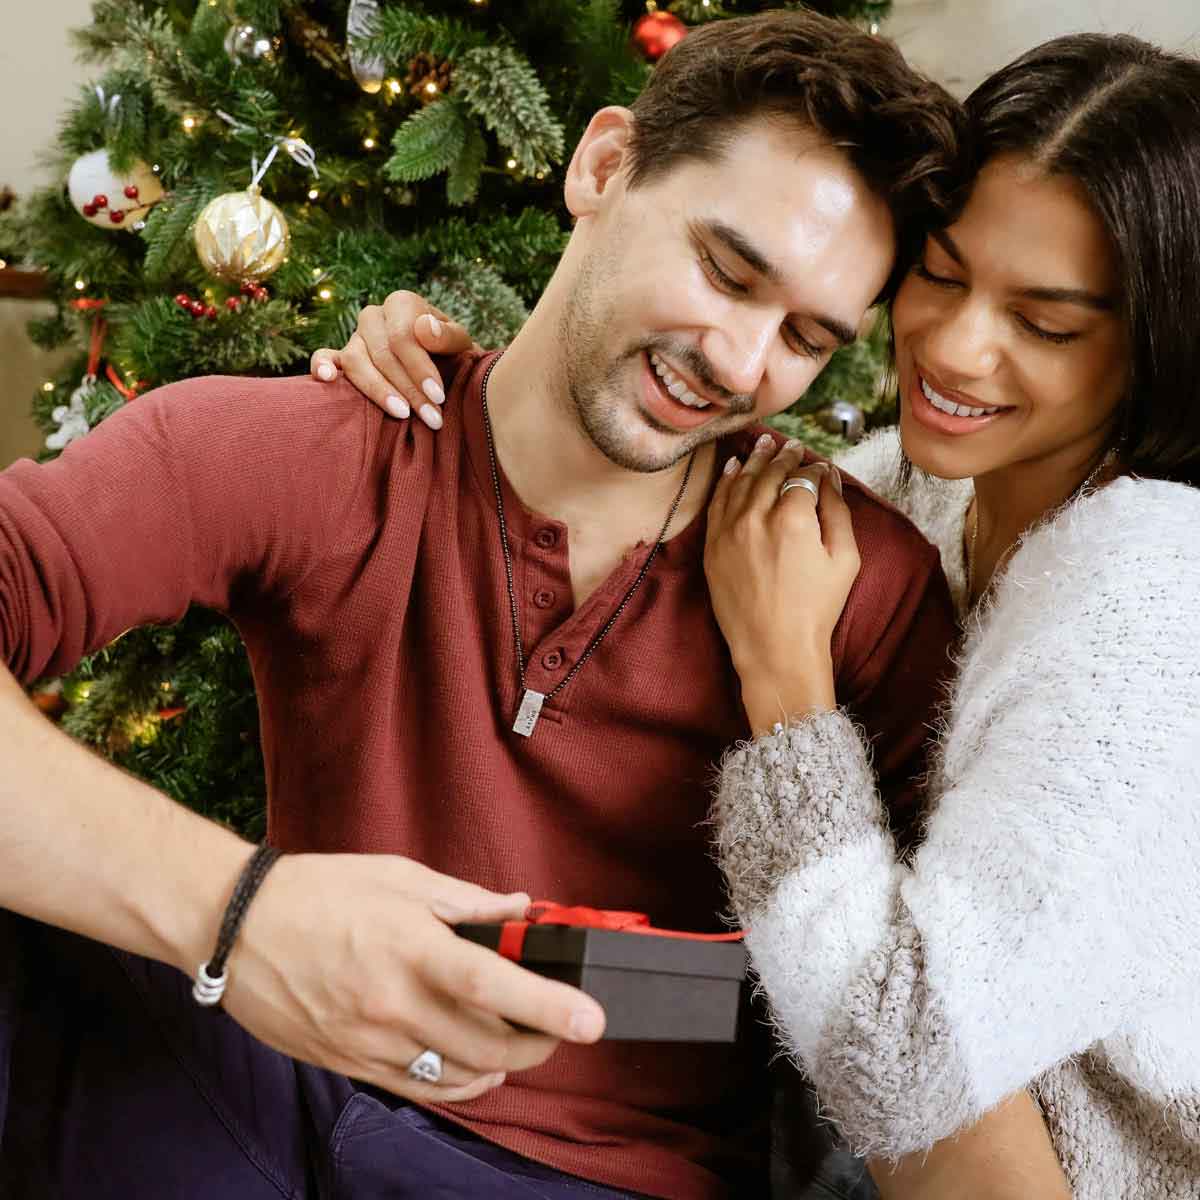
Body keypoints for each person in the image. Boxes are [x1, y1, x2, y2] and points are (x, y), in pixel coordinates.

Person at [0, 12, 973, 1199]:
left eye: (808, 338)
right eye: (725, 269)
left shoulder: (854, 585)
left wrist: (793, 692)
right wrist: (241, 913)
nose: (740, 361)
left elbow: (934, 1019)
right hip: (255, 1104)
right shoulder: (316, 451)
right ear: (603, 166)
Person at [312, 28, 1200, 1200]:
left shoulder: (1152, 596)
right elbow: (780, 983)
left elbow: (902, 1064)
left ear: (1151, 347)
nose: (954, 345)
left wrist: (787, 684)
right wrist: (478, 403)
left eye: (1045, 324)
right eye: (940, 272)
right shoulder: (893, 500)